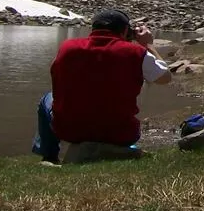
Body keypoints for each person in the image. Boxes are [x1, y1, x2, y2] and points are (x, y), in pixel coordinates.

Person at [33, 9, 171, 165]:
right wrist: (148, 45)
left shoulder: (68, 47)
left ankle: (49, 156)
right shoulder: (136, 53)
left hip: (71, 132)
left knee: (47, 99)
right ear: (125, 31)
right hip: (121, 134)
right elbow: (165, 77)